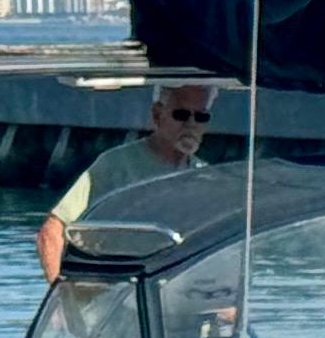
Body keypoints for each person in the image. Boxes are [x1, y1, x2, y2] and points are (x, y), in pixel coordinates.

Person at [36, 84, 215, 278]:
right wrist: (62, 296)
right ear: (157, 115)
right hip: (120, 291)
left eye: (201, 117)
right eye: (181, 115)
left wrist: (226, 303)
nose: (191, 124)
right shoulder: (115, 166)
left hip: (178, 294)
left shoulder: (206, 177)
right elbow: (53, 231)